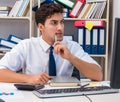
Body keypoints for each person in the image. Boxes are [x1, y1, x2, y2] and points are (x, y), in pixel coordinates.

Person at [0, 3, 103, 85]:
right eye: (54, 23)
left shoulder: (72, 46)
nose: (60, 27)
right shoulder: (26, 46)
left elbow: (98, 75)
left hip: (63, 96)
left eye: (61, 22)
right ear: (41, 27)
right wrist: (30, 78)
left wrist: (71, 57)